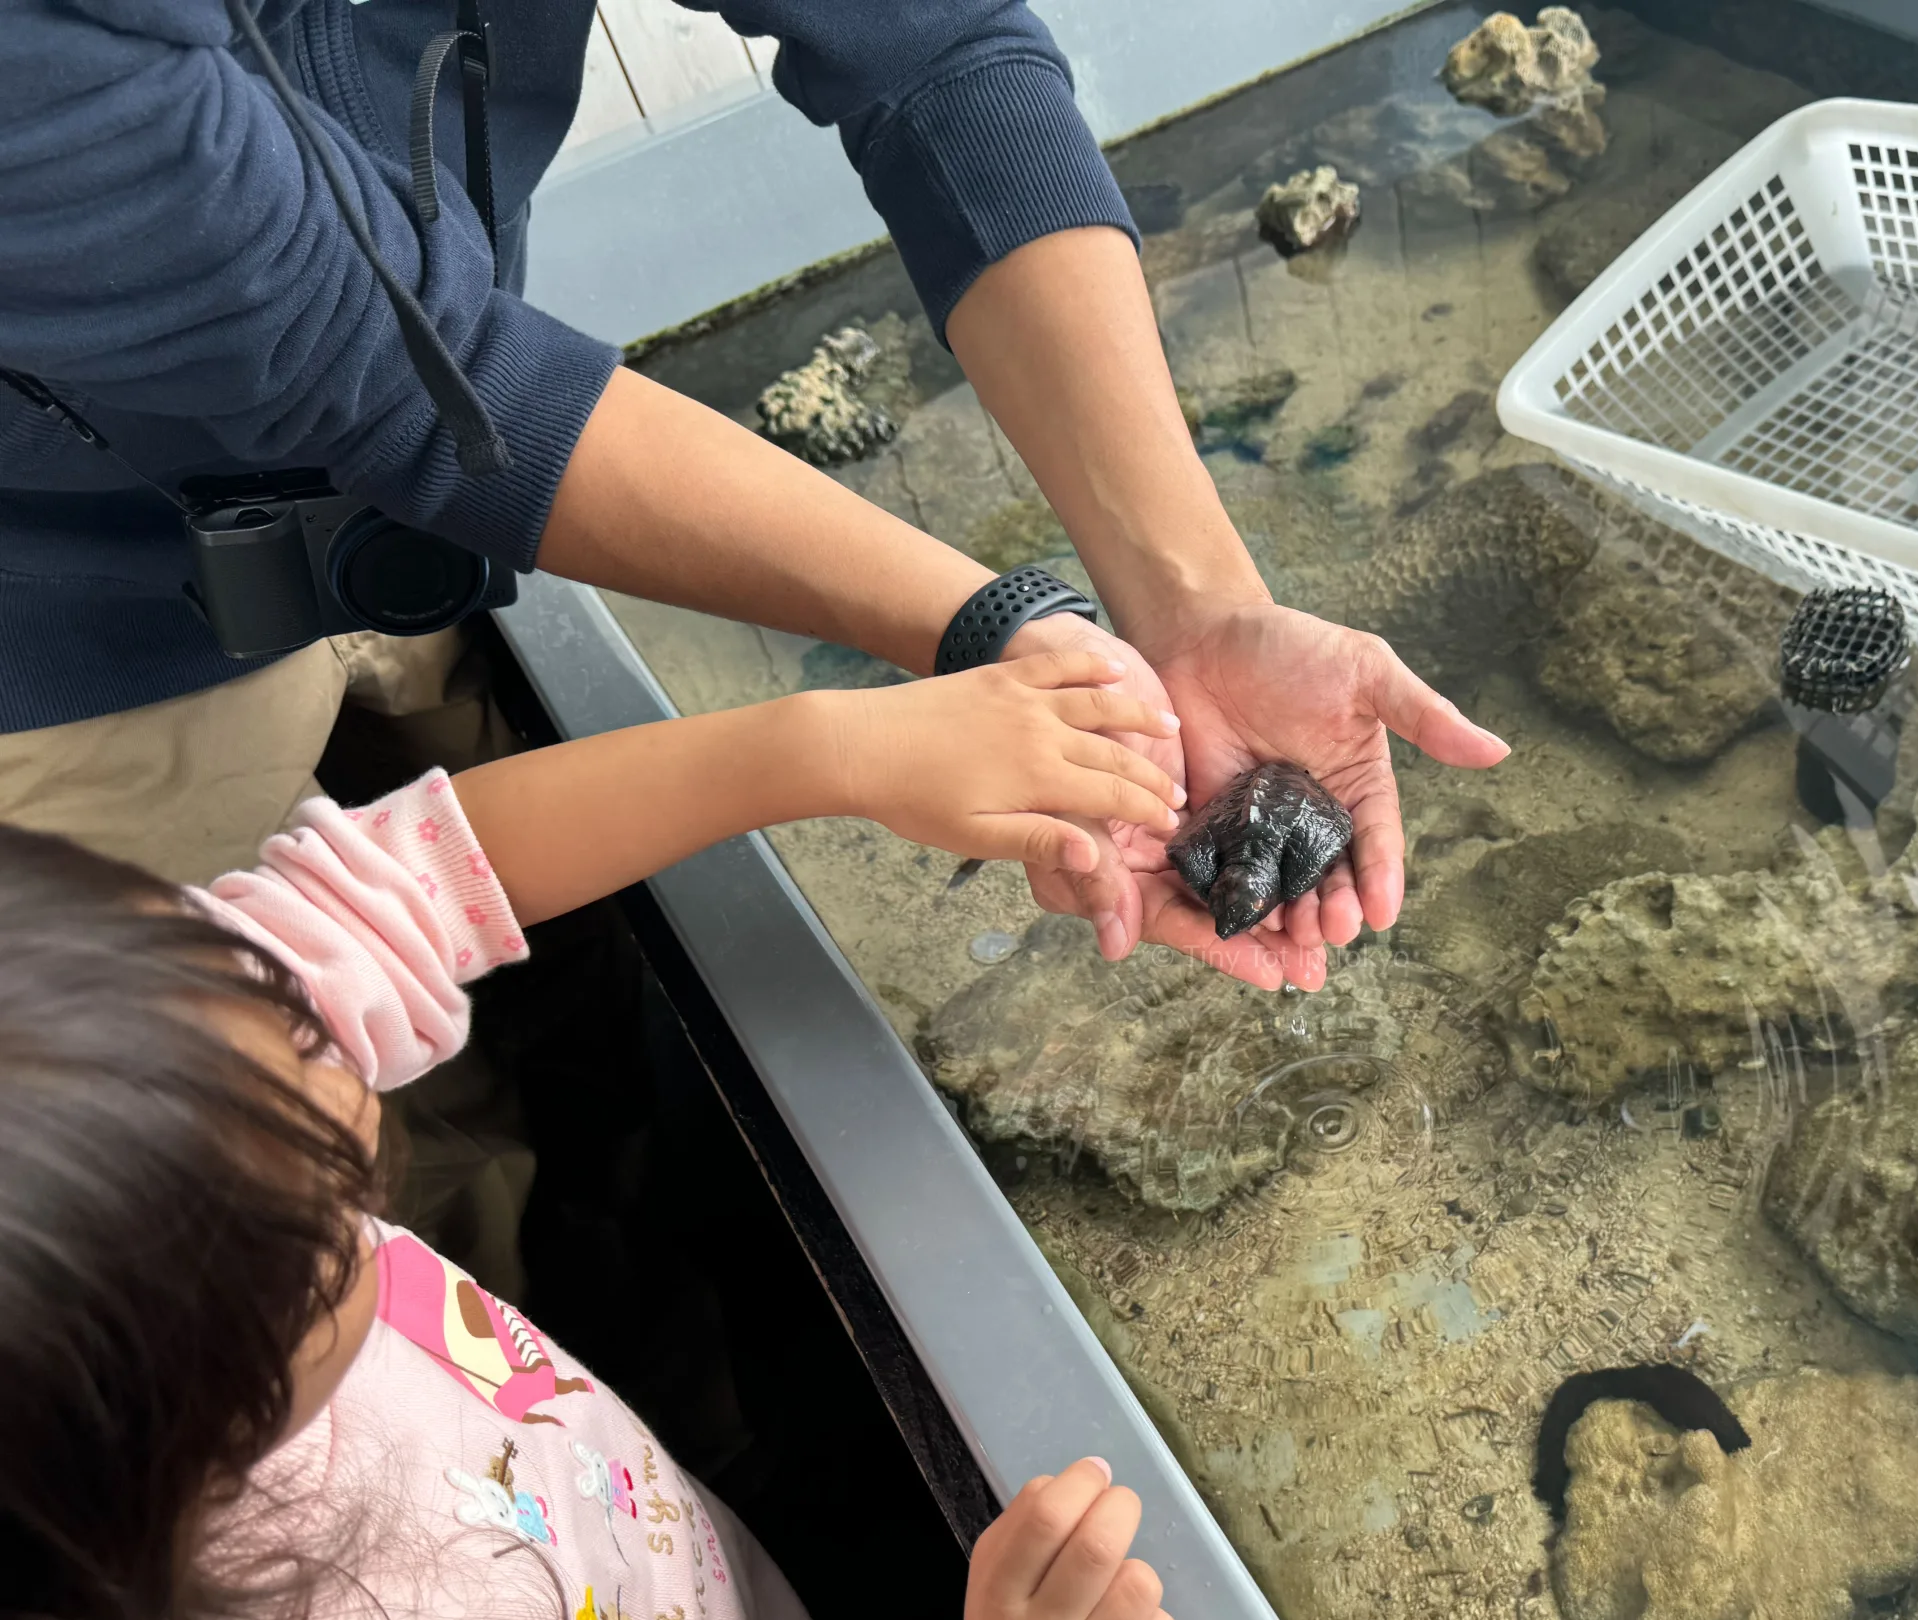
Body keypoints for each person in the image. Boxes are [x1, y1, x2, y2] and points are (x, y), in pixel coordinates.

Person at [0, 654, 1187, 1620]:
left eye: (281, 1028)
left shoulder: (114, 1079)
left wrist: (831, 751)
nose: (353, 1096)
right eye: (315, 1237)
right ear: (157, 1448)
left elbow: (422, 879)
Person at [0, 0, 1510, 992]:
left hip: (406, 522)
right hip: (75, 642)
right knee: (222, 1085)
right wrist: (1007, 625)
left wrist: (1197, 607)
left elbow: (933, 46)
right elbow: (407, 373)